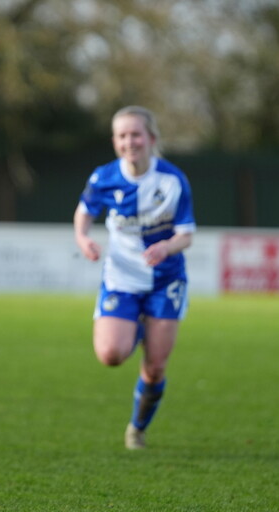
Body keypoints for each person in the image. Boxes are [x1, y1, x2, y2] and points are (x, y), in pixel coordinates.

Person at [73, 105, 196, 450]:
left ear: (151, 138)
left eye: (136, 134)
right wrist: (84, 239)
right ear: (115, 141)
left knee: (155, 368)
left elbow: (186, 234)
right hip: (122, 278)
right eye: (122, 135)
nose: (130, 141)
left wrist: (167, 248)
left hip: (164, 280)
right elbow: (83, 214)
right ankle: (139, 326)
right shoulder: (104, 177)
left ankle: (137, 428)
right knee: (110, 354)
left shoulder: (172, 180)